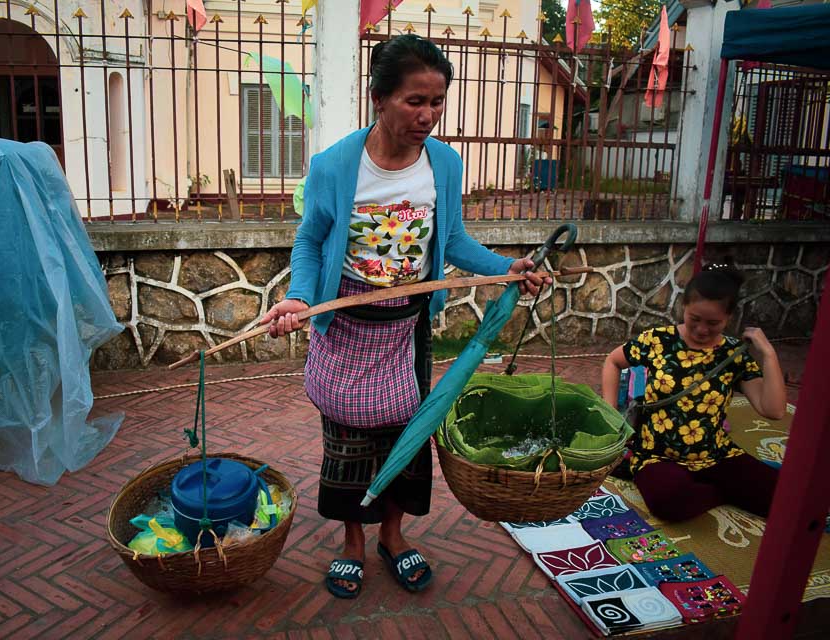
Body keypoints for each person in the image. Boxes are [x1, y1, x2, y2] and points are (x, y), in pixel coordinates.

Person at [260, 34, 547, 598]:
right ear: (379, 97)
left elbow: (455, 241)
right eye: (415, 101)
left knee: (406, 434)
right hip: (346, 323)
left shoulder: (443, 163)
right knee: (346, 437)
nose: (428, 115)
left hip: (406, 326)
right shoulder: (335, 164)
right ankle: (352, 542)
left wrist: (507, 266)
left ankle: (392, 535)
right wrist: (299, 295)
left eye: (437, 102)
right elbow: (312, 240)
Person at [601, 265, 787, 523]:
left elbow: (774, 410)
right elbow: (613, 362)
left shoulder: (733, 355)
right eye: (694, 319)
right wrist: (611, 416)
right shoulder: (657, 340)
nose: (701, 330)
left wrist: (768, 353)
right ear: (683, 308)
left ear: (729, 318)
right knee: (668, 502)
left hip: (714, 453)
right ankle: (721, 492)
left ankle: (712, 486)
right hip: (657, 453)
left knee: (784, 499)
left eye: (713, 323)